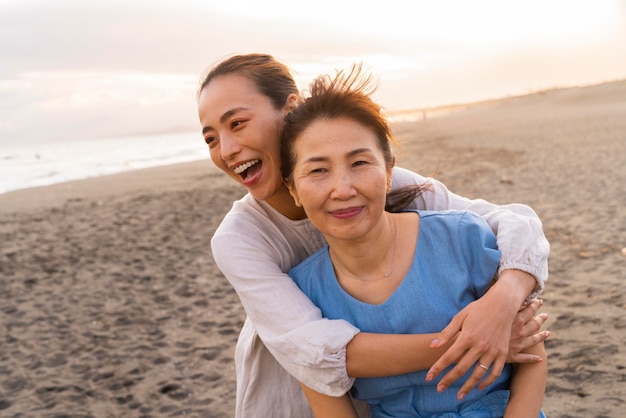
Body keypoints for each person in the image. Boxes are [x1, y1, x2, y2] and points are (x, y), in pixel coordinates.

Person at [197, 53, 550, 417]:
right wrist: (477, 340)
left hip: (390, 391)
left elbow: (511, 224)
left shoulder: (388, 184)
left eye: (237, 123)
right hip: (303, 383)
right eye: (210, 139)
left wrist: (501, 304)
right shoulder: (240, 238)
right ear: (295, 186)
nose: (226, 150)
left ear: (290, 110)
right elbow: (316, 351)